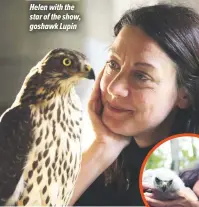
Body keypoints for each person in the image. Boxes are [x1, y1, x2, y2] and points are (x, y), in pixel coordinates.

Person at [69, 3, 199, 206]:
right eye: (113, 64)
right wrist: (102, 148)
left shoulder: (188, 183)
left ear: (184, 95)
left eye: (141, 76)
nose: (114, 88)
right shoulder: (102, 163)